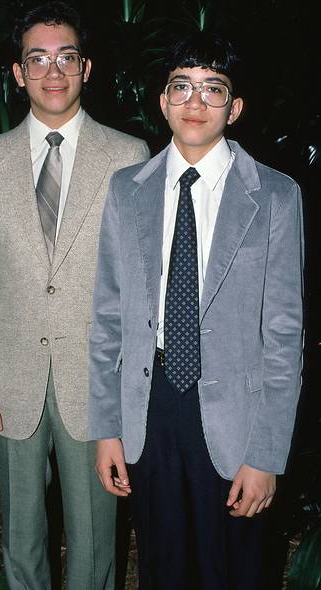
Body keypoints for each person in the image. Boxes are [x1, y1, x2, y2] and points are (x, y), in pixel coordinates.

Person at [89, 31, 304, 589]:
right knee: (164, 563)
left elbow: (284, 334)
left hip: (236, 412)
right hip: (152, 403)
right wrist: (107, 428)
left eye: (213, 90)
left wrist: (267, 455)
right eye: (181, 87)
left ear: (233, 109)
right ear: (162, 101)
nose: (194, 102)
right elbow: (107, 316)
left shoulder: (276, 196)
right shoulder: (126, 190)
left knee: (235, 566)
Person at [0, 2, 149, 589]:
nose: (53, 71)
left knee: (95, 541)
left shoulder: (127, 157)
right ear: (19, 74)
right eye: (37, 59)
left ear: (86, 67)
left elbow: (138, 287)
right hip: (10, 381)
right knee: (21, 535)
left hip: (94, 384)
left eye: (66, 57)